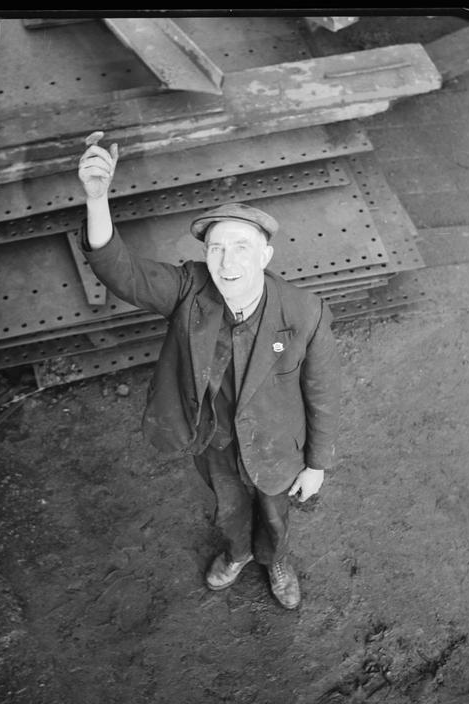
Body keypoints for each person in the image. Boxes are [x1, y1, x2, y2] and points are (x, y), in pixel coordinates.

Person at [76, 132, 341, 610]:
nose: (227, 261)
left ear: (266, 255)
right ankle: (238, 552)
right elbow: (122, 272)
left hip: (277, 444)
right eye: (216, 248)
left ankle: (276, 559)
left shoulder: (306, 311)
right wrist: (97, 201)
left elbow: (322, 393)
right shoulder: (188, 289)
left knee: (275, 512)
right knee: (229, 505)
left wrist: (317, 464)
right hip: (213, 439)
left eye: (241, 247)